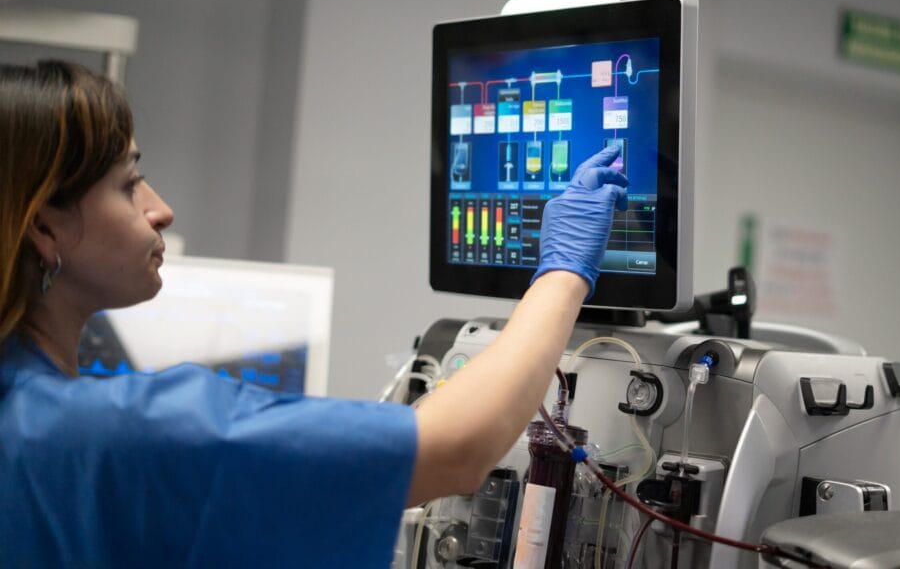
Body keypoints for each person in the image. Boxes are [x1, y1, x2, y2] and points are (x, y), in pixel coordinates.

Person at [0, 61, 628, 567]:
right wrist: (565, 269)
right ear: (44, 228)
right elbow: (458, 448)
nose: (159, 208)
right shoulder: (117, 431)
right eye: (128, 182)